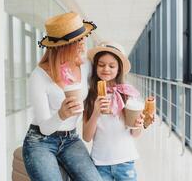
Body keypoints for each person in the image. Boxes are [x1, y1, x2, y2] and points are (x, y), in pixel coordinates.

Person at [22, 12, 102, 181]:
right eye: (77, 40)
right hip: (40, 141)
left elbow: (108, 68)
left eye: (83, 37)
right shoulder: (39, 76)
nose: (83, 43)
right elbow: (45, 128)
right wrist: (61, 114)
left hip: (71, 139)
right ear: (62, 46)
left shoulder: (84, 65)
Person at [83, 41, 146, 181]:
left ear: (119, 69)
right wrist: (95, 112)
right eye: (101, 64)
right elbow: (86, 137)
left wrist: (139, 124)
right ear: (95, 67)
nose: (106, 69)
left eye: (112, 66)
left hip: (125, 161)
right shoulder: (90, 97)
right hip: (100, 163)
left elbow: (135, 134)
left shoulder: (127, 94)